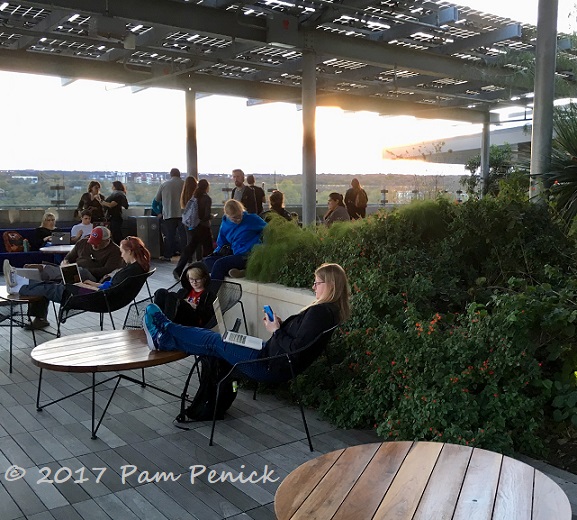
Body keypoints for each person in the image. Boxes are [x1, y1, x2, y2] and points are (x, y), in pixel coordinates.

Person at [143, 263, 350, 382]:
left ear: (330, 285)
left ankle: (165, 330)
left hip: (268, 365)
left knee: (214, 341)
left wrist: (276, 330)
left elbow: (295, 349)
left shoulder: (320, 313)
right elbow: (301, 341)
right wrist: (279, 325)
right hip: (269, 355)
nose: (313, 287)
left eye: (317, 282)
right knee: (216, 343)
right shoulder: (329, 311)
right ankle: (165, 335)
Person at [6, 236, 150, 330]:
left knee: (50, 288)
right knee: (51, 285)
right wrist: (91, 285)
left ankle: (19, 284)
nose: (121, 255)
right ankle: (21, 282)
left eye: (122, 252)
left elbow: (107, 292)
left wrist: (84, 286)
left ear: (130, 251)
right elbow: (110, 289)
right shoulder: (137, 268)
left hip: (94, 298)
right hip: (100, 296)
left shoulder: (129, 271)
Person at [17, 226, 122, 285]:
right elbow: (69, 257)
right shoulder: (83, 242)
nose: (93, 244)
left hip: (91, 278)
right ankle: (20, 276)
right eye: (92, 241)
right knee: (45, 281)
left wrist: (80, 268)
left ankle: (37, 271)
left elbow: (106, 270)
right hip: (72, 273)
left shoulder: (115, 251)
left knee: (79, 271)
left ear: (107, 240)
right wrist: (65, 263)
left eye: (97, 242)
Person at [202, 199, 266, 282]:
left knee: (219, 264)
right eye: (234, 218)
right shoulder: (225, 224)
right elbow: (222, 243)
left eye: (240, 215)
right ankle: (240, 271)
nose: (238, 219)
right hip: (236, 253)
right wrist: (215, 253)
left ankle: (211, 293)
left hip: (249, 254)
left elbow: (269, 229)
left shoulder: (252, 219)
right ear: (227, 215)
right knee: (206, 261)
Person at [173, 179, 214, 280]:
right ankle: (207, 270)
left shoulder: (194, 196)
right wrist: (211, 216)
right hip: (203, 227)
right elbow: (205, 215)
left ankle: (178, 269)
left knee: (190, 248)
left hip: (193, 226)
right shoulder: (207, 198)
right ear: (207, 187)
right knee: (208, 249)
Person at [154, 262, 216, 327]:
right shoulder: (183, 291)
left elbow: (209, 316)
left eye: (197, 279)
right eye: (191, 279)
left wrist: (195, 307)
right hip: (178, 316)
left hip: (193, 320)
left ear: (204, 278)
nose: (194, 282)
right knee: (161, 292)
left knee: (172, 295)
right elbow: (173, 304)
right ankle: (156, 319)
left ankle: (166, 325)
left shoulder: (209, 295)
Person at [155, 168, 185, 261]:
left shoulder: (164, 184)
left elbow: (157, 199)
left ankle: (168, 255)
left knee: (169, 235)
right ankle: (185, 254)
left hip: (169, 214)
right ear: (179, 174)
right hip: (183, 214)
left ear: (170, 175)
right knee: (183, 235)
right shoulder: (184, 184)